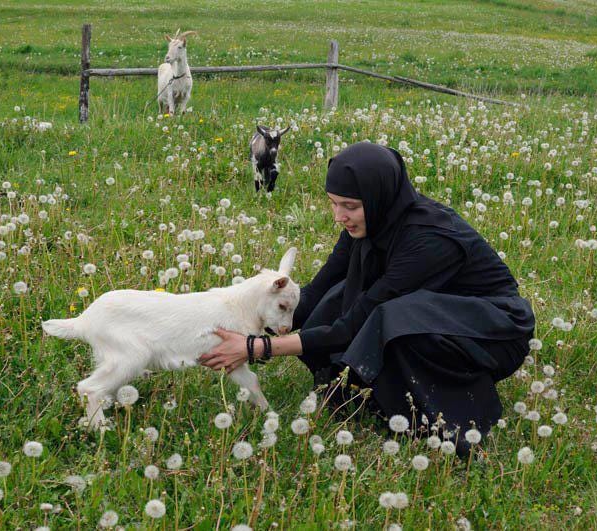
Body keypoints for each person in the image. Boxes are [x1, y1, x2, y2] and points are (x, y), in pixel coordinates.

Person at [199, 142, 535, 456]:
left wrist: (259, 348)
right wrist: (242, 325)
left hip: (493, 330)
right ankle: (372, 394)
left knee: (388, 318)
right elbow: (315, 293)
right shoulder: (371, 220)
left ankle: (449, 413)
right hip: (432, 315)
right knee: (333, 300)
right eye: (333, 203)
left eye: (350, 206)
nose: (338, 216)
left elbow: (358, 322)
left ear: (377, 196)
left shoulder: (428, 240)